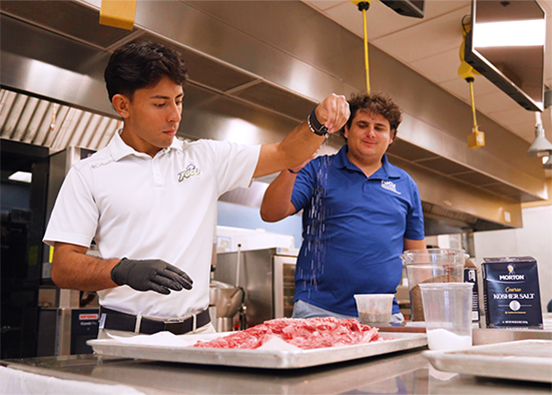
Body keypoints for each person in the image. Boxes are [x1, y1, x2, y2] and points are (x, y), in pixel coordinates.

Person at [43, 41, 349, 338]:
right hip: (126, 338)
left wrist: (318, 121)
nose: (175, 115)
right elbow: (64, 267)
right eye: (160, 104)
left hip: (198, 336)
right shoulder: (90, 173)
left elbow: (286, 154)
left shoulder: (205, 158)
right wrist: (121, 270)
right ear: (123, 105)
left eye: (178, 100)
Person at [260, 92, 426, 323]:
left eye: (379, 127)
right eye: (362, 125)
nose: (371, 133)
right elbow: (270, 213)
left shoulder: (405, 183)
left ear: (391, 136)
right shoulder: (319, 169)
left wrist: (427, 313)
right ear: (346, 130)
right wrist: (291, 168)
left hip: (384, 313)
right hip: (318, 310)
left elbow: (418, 256)